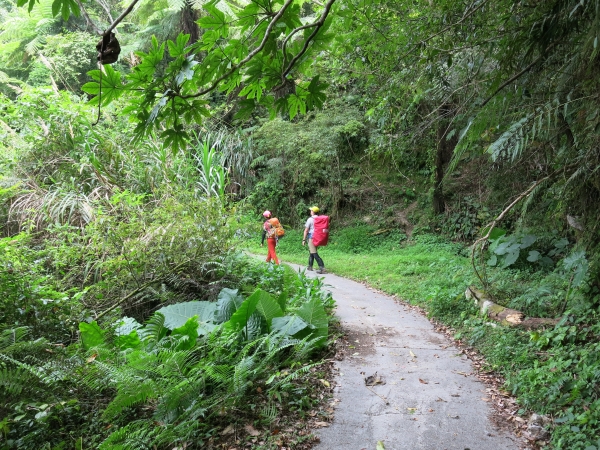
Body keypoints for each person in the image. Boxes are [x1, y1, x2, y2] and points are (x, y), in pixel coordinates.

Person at [302, 206, 326, 273]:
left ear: (313, 212)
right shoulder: (319, 219)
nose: (310, 211)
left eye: (311, 210)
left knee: (314, 253)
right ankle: (310, 266)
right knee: (312, 251)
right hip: (317, 237)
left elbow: (306, 230)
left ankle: (322, 268)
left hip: (311, 237)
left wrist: (303, 240)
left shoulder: (310, 219)